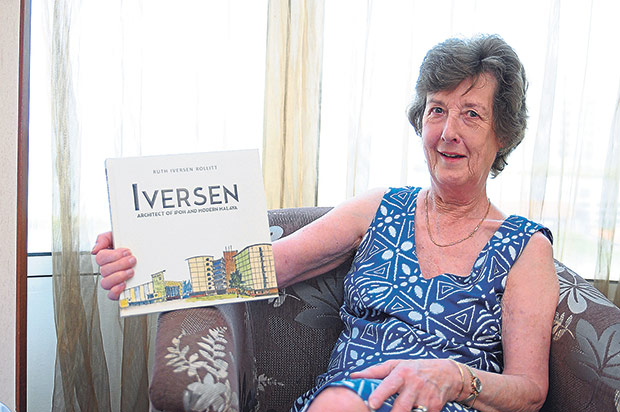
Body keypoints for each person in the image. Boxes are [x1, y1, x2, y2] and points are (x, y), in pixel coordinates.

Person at [93, 34, 559, 412]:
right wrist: (144, 251)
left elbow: (530, 390)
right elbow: (262, 265)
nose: (448, 132)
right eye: (437, 110)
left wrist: (455, 378)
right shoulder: (382, 208)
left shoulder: (525, 247)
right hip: (348, 401)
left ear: (502, 134)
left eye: (472, 114)